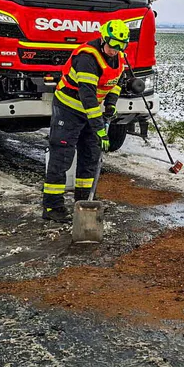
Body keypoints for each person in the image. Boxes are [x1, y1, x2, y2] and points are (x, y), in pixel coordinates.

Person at [41, 19, 130, 223]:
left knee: (90, 155)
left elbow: (116, 82)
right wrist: (100, 129)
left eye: (120, 46)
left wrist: (110, 105)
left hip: (91, 110)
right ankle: (52, 206)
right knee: (62, 156)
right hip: (69, 108)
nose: (115, 51)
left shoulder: (119, 57)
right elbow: (87, 97)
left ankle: (84, 201)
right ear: (103, 39)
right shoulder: (87, 58)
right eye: (112, 45)